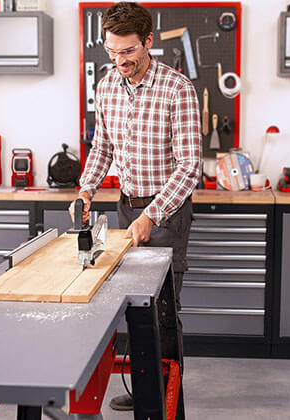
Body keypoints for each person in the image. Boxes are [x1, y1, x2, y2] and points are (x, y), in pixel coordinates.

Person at [69, 1, 202, 412]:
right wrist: (86, 190)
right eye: (112, 51)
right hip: (127, 210)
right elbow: (103, 147)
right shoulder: (107, 86)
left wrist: (151, 215)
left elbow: (190, 167)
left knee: (162, 312)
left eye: (128, 51)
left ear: (148, 41)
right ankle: (146, 384)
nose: (119, 60)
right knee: (131, 305)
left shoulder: (177, 88)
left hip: (166, 213)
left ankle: (167, 398)